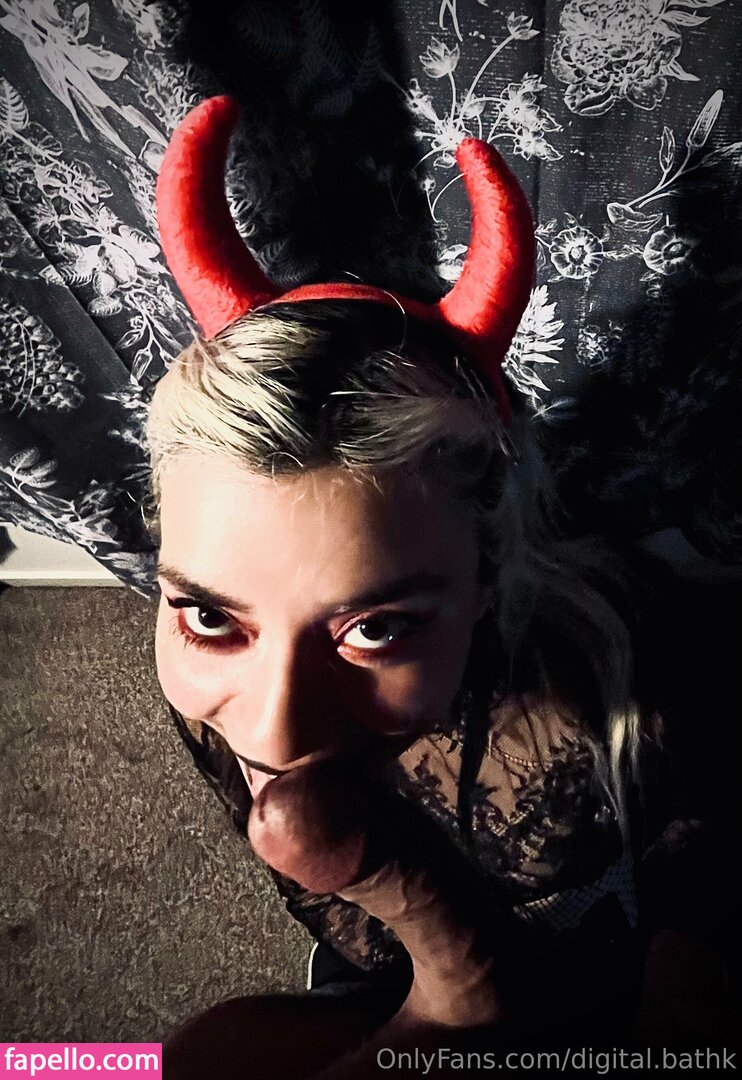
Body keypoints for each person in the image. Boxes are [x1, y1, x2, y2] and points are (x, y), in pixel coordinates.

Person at [144, 98, 739, 1077]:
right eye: (211, 616)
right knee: (144, 1064)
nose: (274, 735)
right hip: (380, 984)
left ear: (490, 571)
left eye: (376, 628)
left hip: (594, 998)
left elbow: (695, 943)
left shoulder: (633, 710)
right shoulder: (219, 697)